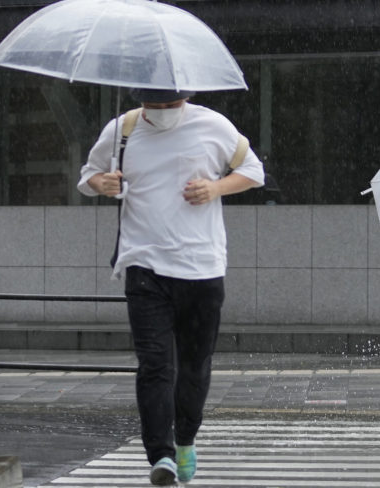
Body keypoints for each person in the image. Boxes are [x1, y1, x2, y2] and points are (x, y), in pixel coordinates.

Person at [77, 88, 264, 485]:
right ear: (141, 98)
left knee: (194, 365)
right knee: (155, 365)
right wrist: (103, 183)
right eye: (153, 103)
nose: (161, 111)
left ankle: (185, 440)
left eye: (170, 103)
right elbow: (87, 176)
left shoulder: (213, 126)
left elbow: (252, 171)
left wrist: (215, 188)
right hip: (144, 266)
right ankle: (159, 455)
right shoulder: (122, 129)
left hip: (202, 267)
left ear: (185, 96)